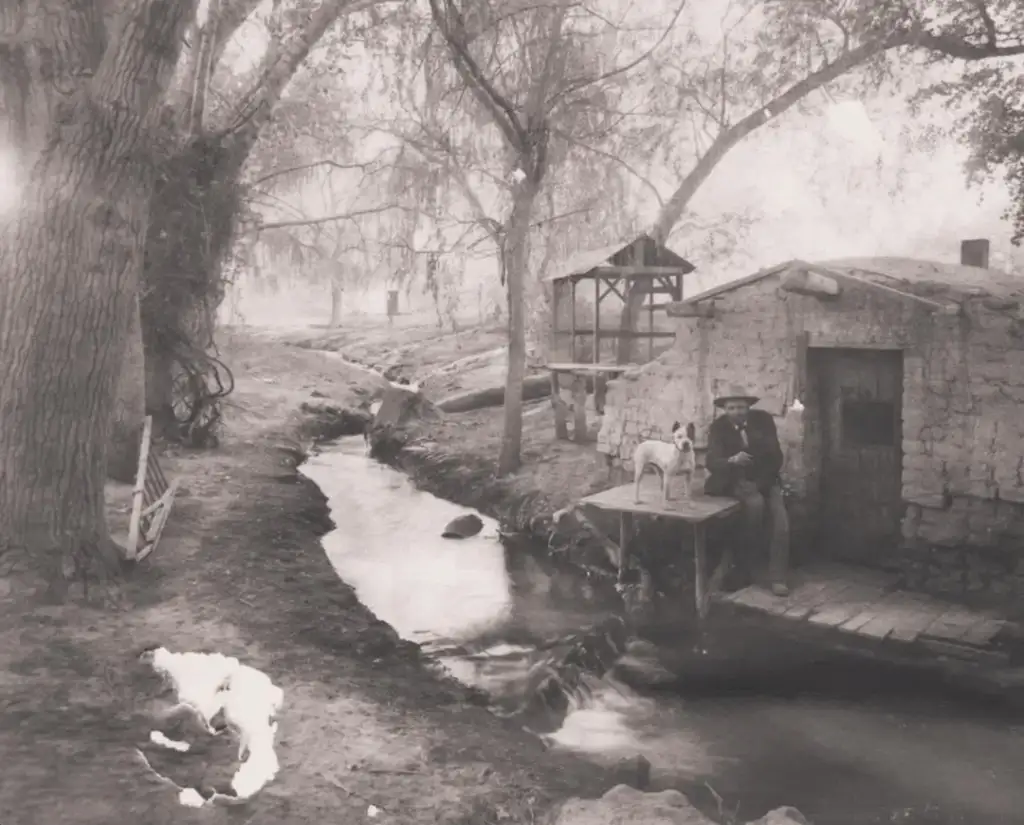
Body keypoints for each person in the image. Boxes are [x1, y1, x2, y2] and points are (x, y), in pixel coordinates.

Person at [704, 385, 790, 596]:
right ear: (725, 409)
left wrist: (760, 484)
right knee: (754, 507)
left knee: (781, 521)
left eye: (741, 407)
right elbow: (712, 462)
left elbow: (776, 457)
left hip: (765, 479)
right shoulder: (718, 427)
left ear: (749, 407)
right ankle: (747, 569)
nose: (736, 412)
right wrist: (731, 461)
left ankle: (778, 577)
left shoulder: (764, 421)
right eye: (731, 408)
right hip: (735, 481)